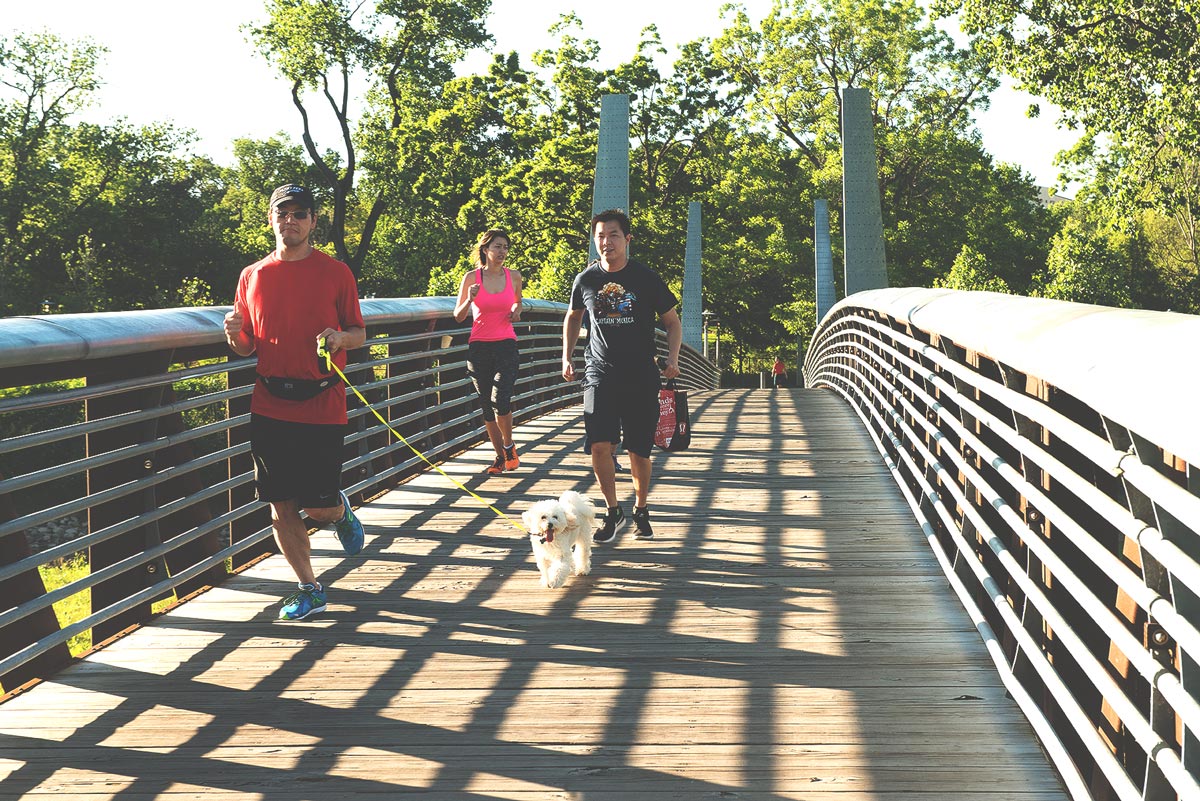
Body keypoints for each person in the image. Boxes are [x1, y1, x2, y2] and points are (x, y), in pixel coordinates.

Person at [223, 184, 367, 621]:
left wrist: (341, 337)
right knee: (280, 502)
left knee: (317, 507)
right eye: (282, 213)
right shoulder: (253, 275)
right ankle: (309, 587)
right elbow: (248, 347)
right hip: (269, 403)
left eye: (299, 214)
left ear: (312, 221)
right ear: (271, 219)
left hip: (323, 403)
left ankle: (338, 511)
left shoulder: (336, 272)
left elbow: (358, 333)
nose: (290, 221)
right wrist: (234, 335)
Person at [562, 209, 682, 544]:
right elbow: (573, 316)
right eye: (600, 236)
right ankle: (613, 509)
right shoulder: (585, 279)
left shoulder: (646, 278)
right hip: (599, 372)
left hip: (641, 373)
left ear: (627, 239)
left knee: (638, 450)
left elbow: (672, 322)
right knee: (599, 445)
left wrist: (672, 358)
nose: (606, 242)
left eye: (613, 235)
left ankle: (641, 507)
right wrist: (566, 355)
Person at [454, 228, 524, 475]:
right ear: (485, 249)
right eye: (497, 246)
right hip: (479, 346)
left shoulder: (514, 276)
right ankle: (500, 458)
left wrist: (517, 311)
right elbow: (458, 316)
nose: (502, 251)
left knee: (500, 398)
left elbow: (518, 301)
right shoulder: (471, 277)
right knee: (486, 405)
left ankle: (508, 445)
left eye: (505, 247)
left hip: (506, 344)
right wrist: (469, 300)